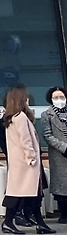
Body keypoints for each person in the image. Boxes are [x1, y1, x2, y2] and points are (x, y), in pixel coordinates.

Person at [0, 84, 53, 234]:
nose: (28, 99)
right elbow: (26, 140)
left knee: (31, 193)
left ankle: (40, 223)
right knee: (20, 193)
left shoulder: (12, 118)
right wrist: (32, 157)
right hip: (26, 163)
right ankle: (8, 222)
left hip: (19, 162)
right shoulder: (20, 117)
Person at [40, 86, 67, 223]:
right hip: (59, 154)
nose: (59, 100)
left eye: (62, 97)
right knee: (62, 185)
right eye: (56, 97)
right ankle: (64, 214)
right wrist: (64, 148)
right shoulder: (46, 115)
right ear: (50, 99)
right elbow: (47, 135)